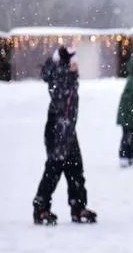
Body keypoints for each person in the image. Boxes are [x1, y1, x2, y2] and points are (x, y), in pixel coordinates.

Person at [32, 46, 97, 224]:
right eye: (73, 62)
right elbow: (60, 96)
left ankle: (78, 206)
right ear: (65, 64)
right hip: (58, 129)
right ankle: (41, 207)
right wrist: (63, 71)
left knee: (75, 168)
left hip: (68, 130)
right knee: (54, 168)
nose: (77, 65)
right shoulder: (61, 79)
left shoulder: (68, 79)